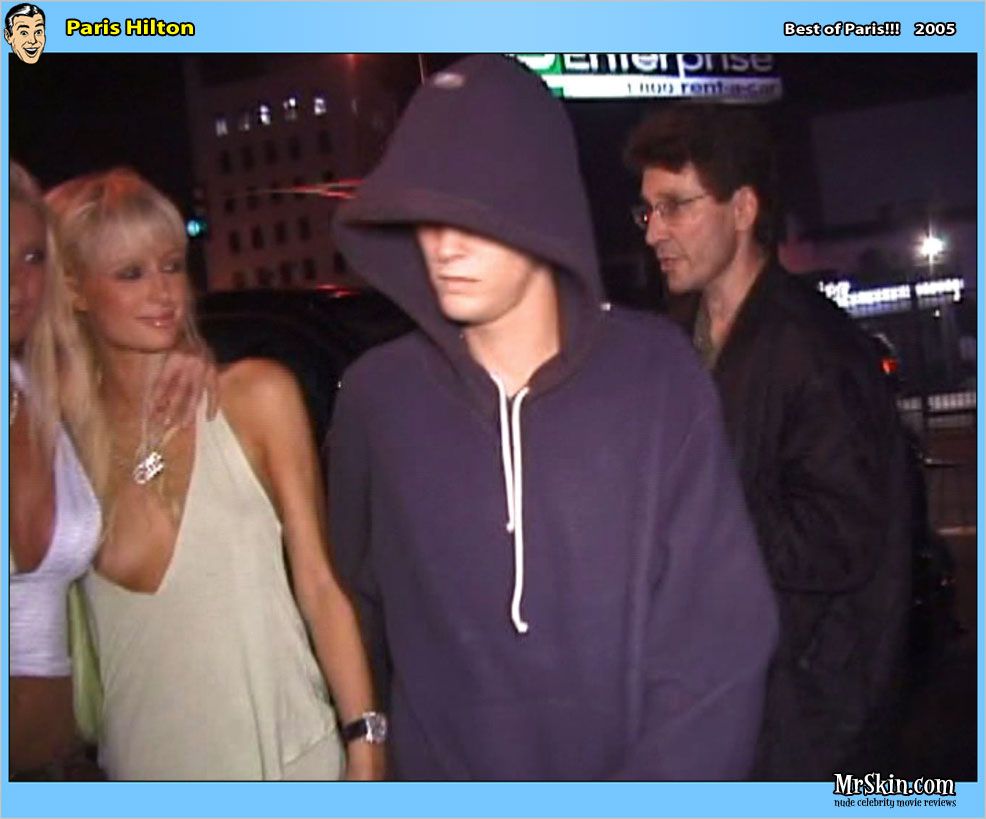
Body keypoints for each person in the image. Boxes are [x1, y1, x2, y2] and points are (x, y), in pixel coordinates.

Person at [329, 55, 778, 780]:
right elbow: (357, 608)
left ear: (537, 201)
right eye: (426, 210)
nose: (444, 242)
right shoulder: (377, 399)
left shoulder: (655, 376)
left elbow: (717, 643)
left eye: (473, 207)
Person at [44, 167, 385, 781]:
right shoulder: (56, 448)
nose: (163, 292)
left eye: (172, 265)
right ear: (74, 289)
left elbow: (321, 585)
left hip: (291, 767)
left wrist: (366, 741)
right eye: (131, 273)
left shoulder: (255, 398)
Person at [625, 103, 912, 779]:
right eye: (648, 211)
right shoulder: (674, 342)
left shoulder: (816, 350)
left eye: (676, 206)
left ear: (743, 208)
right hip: (720, 699)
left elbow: (839, 539)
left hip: (807, 720)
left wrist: (689, 513)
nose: (654, 232)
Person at [8, 162, 212, 779]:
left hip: (66, 764)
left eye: (32, 257)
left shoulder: (44, 396)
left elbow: (115, 375)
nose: (16, 283)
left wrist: (190, 356)